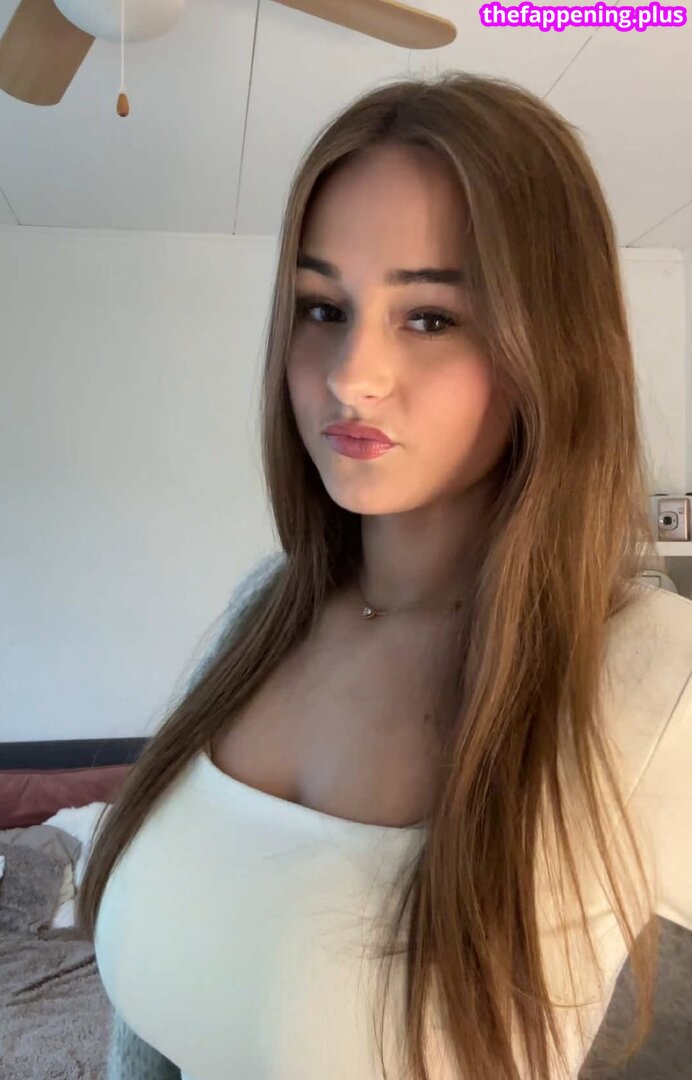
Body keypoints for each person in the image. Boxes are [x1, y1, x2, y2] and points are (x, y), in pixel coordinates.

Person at [78, 71, 692, 1080]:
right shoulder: (262, 612)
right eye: (322, 306)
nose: (349, 374)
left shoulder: (659, 680)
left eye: (431, 318)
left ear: (554, 344)